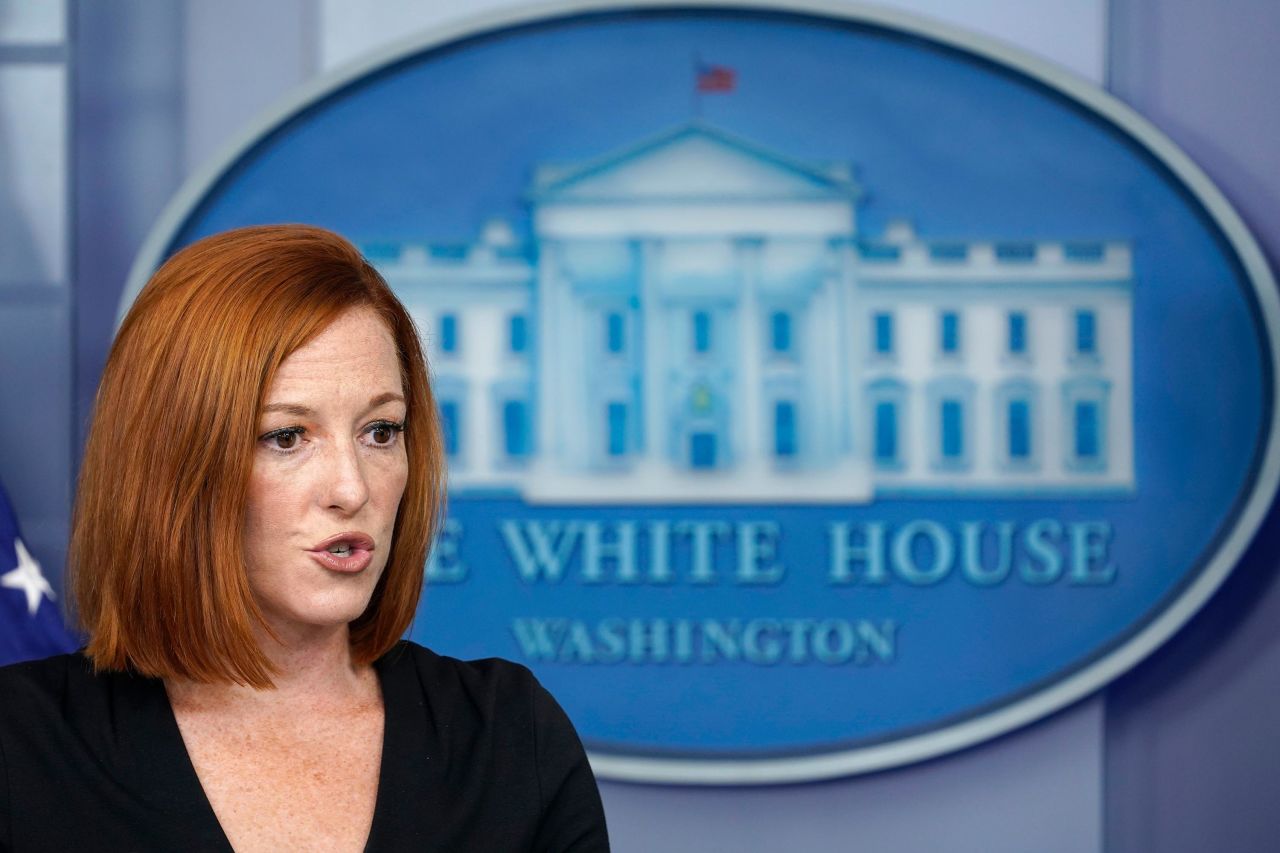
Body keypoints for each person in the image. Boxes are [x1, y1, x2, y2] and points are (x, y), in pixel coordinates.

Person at [0, 225, 610, 852]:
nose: (352, 489)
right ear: (173, 464)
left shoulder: (508, 737)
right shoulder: (20, 747)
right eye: (287, 437)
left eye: (380, 431)